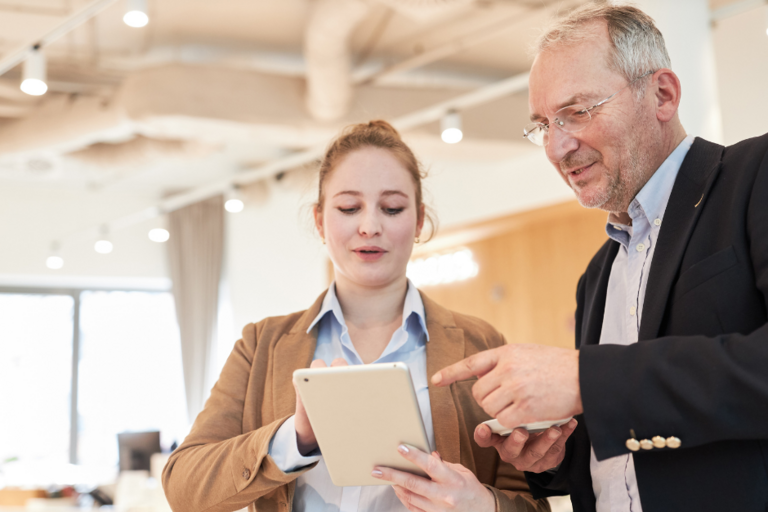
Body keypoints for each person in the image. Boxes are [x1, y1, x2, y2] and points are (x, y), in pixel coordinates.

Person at [431, 3, 768, 512]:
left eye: (578, 111)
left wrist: (583, 378)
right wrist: (555, 453)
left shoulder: (754, 176)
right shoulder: (597, 276)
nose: (557, 146)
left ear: (662, 95)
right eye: (544, 123)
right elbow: (628, 447)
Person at [162, 120, 551, 512]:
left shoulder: (480, 344)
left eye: (392, 208)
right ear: (319, 221)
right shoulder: (261, 345)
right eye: (349, 208)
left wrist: (482, 505)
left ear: (418, 221)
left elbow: (531, 502)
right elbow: (184, 487)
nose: (369, 227)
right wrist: (296, 437)